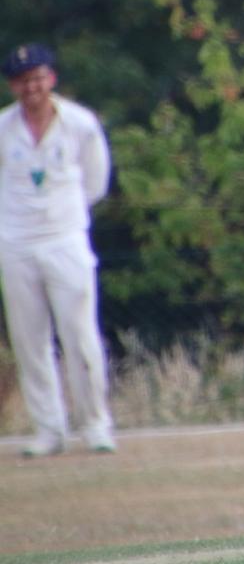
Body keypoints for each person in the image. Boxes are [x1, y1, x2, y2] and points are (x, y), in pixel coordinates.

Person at [0, 42, 115, 456]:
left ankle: (96, 425)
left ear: (51, 79)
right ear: (13, 86)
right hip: (15, 242)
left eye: (37, 79)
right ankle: (50, 430)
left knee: (80, 335)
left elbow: (96, 183)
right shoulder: (3, 128)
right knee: (29, 340)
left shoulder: (80, 124)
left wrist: (63, 216)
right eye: (22, 81)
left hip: (66, 238)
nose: (31, 87)